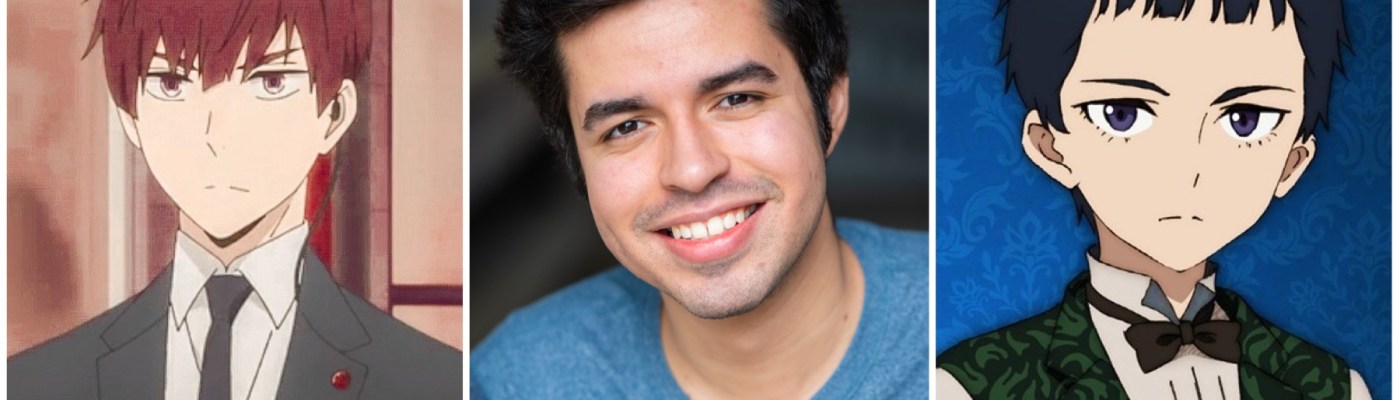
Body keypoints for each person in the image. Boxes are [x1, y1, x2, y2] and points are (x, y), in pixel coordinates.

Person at [472, 0, 929, 398]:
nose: (691, 172)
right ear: (576, 163)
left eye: (736, 99)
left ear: (829, 105)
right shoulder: (514, 381)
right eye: (627, 127)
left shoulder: (965, 329)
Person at [7, 1, 461, 398]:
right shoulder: (34, 384)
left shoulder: (434, 382)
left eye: (270, 82)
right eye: (172, 84)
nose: (216, 132)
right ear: (130, 116)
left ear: (334, 113)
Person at [935, 0, 1371, 398]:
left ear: (1291, 162)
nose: (1188, 167)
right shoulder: (970, 385)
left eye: (1245, 120)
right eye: (1123, 115)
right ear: (1051, 146)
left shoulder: (1333, 387)